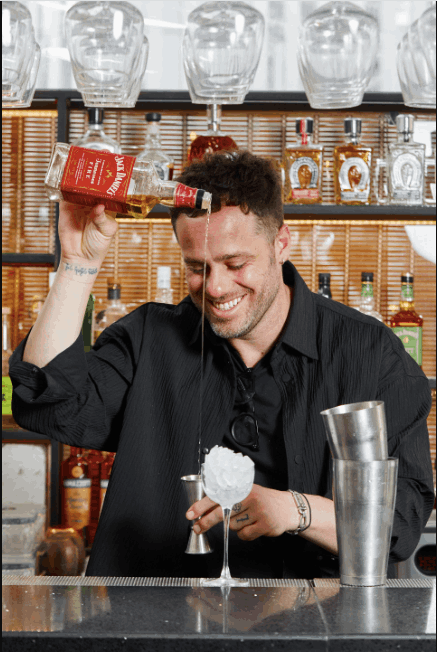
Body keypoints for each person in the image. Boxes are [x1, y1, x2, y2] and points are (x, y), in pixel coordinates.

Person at [9, 151, 434, 579]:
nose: (215, 287)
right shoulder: (150, 338)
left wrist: (294, 509)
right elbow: (47, 401)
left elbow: (400, 521)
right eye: (197, 267)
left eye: (236, 264)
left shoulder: (368, 353)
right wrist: (77, 263)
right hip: (151, 614)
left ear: (281, 244)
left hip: (310, 617)